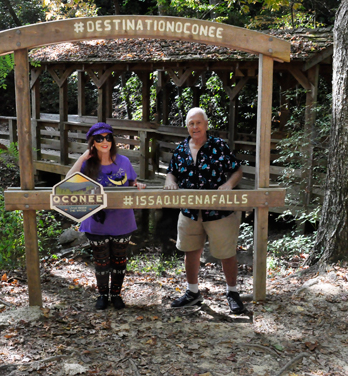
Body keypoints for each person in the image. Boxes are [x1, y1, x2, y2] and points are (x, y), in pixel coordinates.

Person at [164, 107, 245, 314]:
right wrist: (170, 182)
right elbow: (171, 172)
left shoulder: (219, 146)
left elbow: (237, 170)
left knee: (226, 253)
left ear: (206, 125)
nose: (195, 127)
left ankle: (232, 292)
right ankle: (192, 292)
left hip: (218, 211)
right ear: (187, 127)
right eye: (191, 123)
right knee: (190, 250)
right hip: (190, 211)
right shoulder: (181, 149)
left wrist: (229, 185)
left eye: (198, 123)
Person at [67, 122, 145, 310]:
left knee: (119, 260)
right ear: (92, 142)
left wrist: (137, 185)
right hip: (95, 221)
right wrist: (83, 157)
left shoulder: (124, 161)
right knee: (101, 261)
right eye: (99, 138)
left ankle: (116, 295)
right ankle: (102, 295)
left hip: (122, 220)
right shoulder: (87, 164)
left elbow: (132, 181)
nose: (104, 141)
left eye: (108, 137)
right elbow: (68, 181)